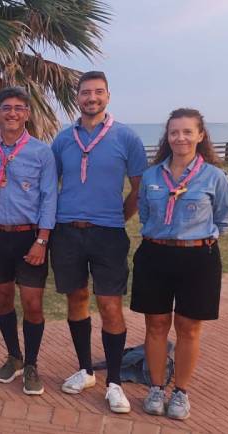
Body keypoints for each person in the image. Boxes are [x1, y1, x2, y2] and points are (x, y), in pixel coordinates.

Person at [50, 71, 148, 413]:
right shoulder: (63, 140)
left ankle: (116, 382)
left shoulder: (126, 138)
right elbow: (52, 185)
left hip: (108, 234)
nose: (91, 98)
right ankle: (85, 370)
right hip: (67, 232)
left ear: (108, 96)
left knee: (109, 306)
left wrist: (120, 217)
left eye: (98, 92)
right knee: (76, 298)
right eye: (85, 92)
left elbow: (139, 187)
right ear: (77, 97)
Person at [133, 108, 228, 421]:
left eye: (187, 132)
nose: (180, 138)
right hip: (155, 255)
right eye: (174, 132)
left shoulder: (215, 177)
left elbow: (224, 219)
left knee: (189, 328)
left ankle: (180, 392)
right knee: (156, 325)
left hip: (198, 258)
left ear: (200, 135)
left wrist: (196, 239)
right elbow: (145, 214)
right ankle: (155, 387)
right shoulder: (152, 176)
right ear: (167, 136)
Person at [0, 87, 58, 395]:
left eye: (19, 108)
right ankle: (14, 357)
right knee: (3, 299)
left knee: (33, 304)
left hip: (29, 237)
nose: (12, 113)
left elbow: (50, 197)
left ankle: (32, 364)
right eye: (6, 107)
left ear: (28, 114)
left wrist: (43, 240)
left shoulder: (41, 152)